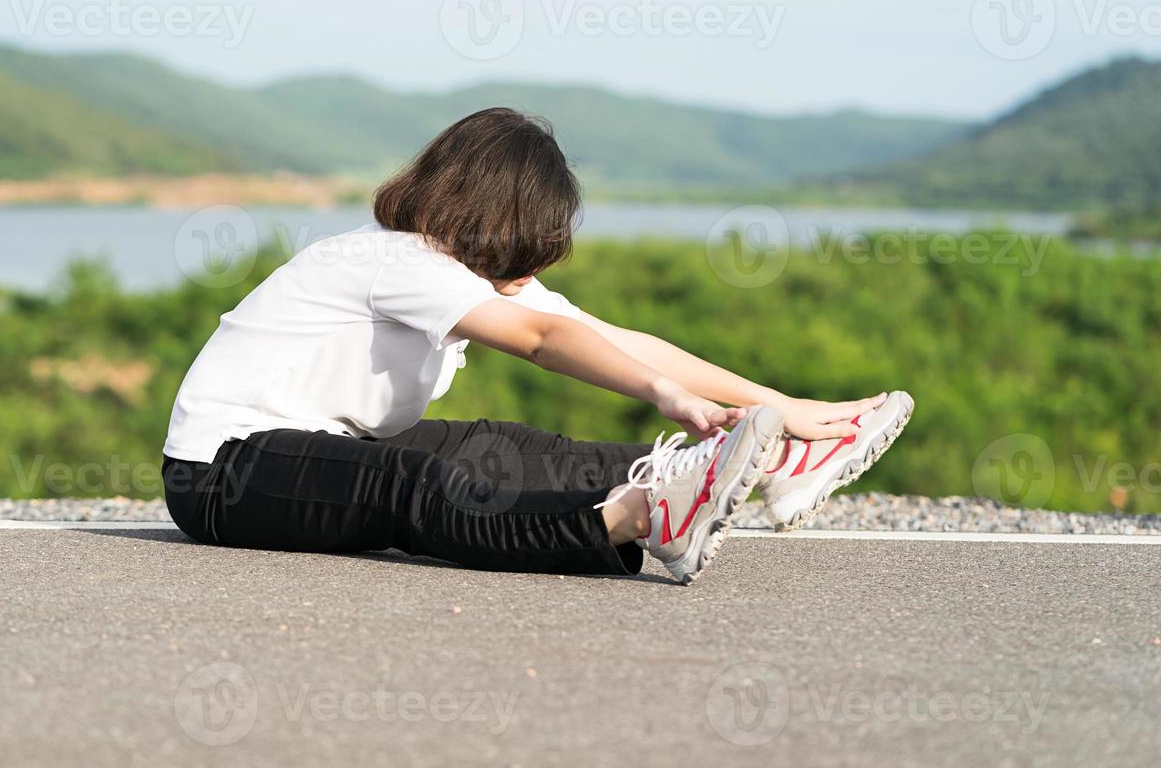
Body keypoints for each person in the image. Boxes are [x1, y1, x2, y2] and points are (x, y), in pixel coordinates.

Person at [162, 108, 913, 584]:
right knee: (411, 484)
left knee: (511, 447)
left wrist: (782, 409)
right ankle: (635, 518)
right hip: (224, 473)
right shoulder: (397, 260)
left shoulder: (471, 268)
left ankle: (772, 463)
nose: (534, 262)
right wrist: (669, 398)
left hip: (323, 441)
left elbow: (617, 340)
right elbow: (544, 340)